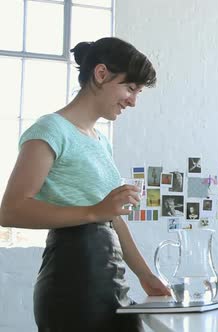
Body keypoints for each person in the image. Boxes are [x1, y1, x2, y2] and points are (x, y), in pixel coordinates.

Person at [0, 37, 170, 331]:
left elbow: (112, 217)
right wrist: (95, 211)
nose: (133, 100)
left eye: (138, 92)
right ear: (101, 74)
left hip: (110, 279)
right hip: (73, 283)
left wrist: (145, 275)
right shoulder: (50, 130)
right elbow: (11, 210)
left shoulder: (100, 141)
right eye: (130, 88)